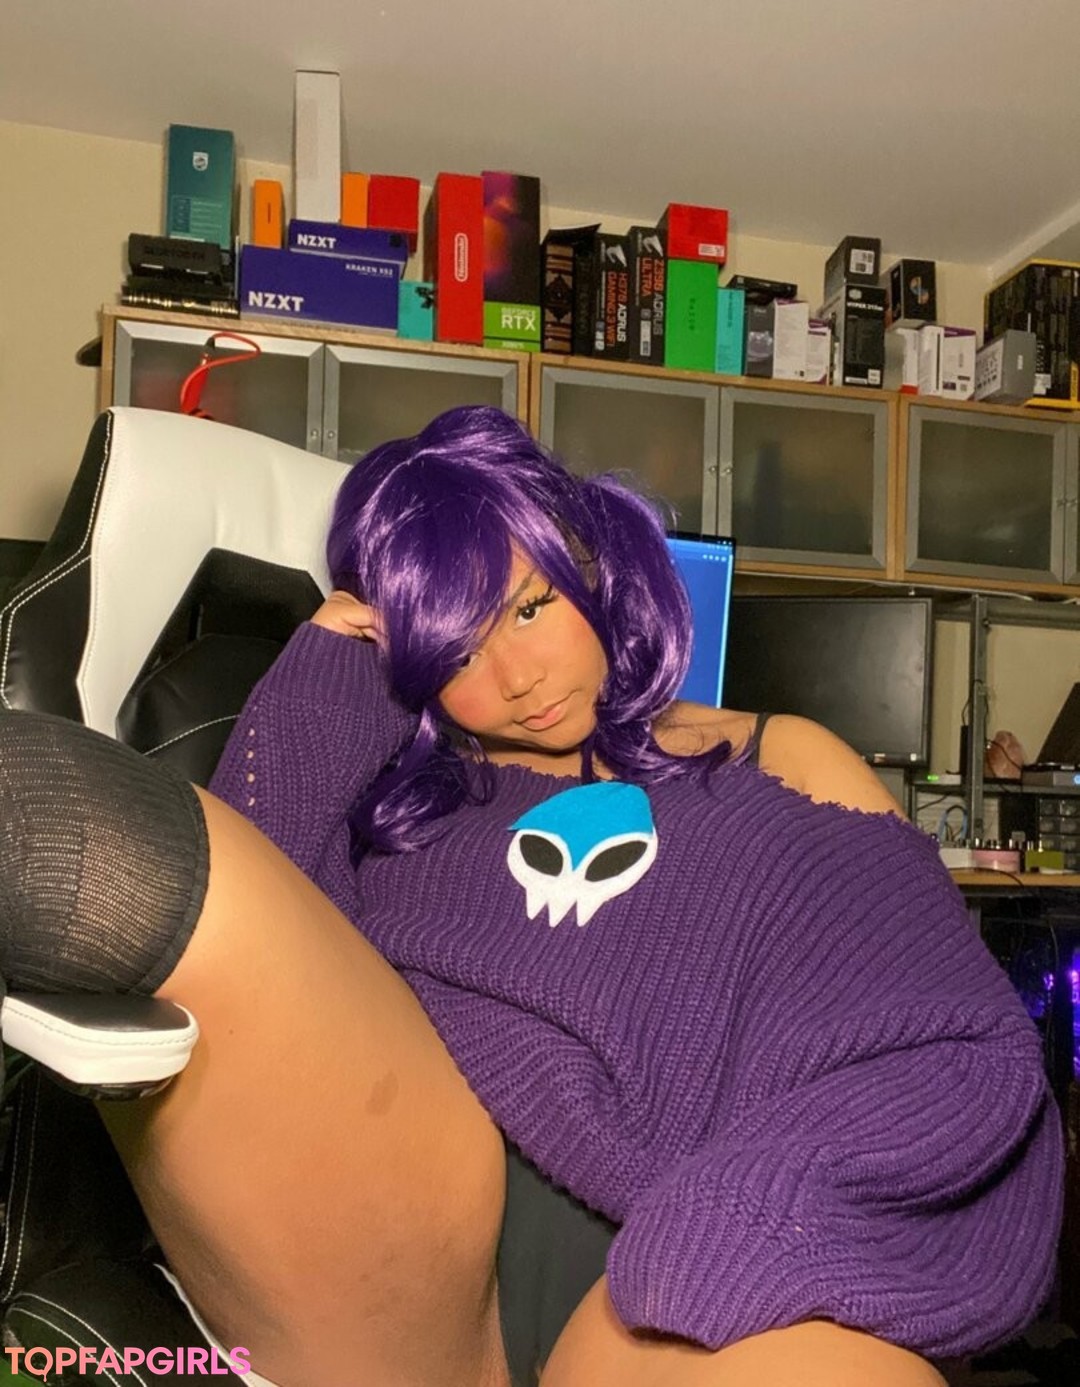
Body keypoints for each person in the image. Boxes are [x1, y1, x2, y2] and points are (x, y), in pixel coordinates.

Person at [0, 405, 1063, 1387]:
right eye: (457, 649)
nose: (516, 678)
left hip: (731, 1248)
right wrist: (333, 669)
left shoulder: (786, 758)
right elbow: (258, 943)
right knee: (83, 821)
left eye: (530, 607)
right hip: (426, 1225)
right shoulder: (408, 808)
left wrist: (737, 1219)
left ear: (589, 562)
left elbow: (944, 1037)